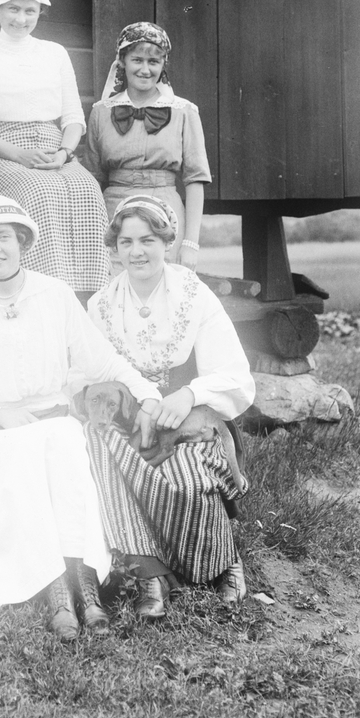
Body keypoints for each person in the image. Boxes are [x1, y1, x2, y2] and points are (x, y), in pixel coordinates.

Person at [0, 196, 162, 641]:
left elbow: (102, 362)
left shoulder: (54, 294)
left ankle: (84, 583)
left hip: (53, 423)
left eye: (4, 237)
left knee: (68, 452)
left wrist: (148, 393)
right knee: (28, 458)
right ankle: (57, 592)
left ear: (23, 243)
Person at [84, 195, 256, 619]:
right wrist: (137, 401)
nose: (137, 252)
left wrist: (190, 394)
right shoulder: (101, 306)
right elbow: (86, 373)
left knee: (187, 477)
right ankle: (150, 575)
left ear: (166, 242)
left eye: (147, 240)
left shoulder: (194, 296)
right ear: (115, 247)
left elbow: (236, 376)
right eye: (126, 242)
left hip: (189, 421)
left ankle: (224, 561)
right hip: (134, 426)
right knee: (100, 443)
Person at [0, 0, 110, 298]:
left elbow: (73, 118)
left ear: (40, 12)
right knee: (38, 190)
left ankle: (90, 296)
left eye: (30, 11)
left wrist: (64, 152)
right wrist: (19, 155)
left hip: (54, 151)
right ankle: (45, 293)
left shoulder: (55, 52)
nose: (21, 19)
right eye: (13, 9)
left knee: (87, 189)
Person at [83, 22, 211, 269]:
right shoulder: (101, 112)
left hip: (165, 211)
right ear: (122, 61)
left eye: (153, 61)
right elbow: (92, 179)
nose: (145, 69)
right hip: (113, 213)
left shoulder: (184, 111)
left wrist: (190, 244)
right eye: (137, 60)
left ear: (163, 65)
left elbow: (195, 180)